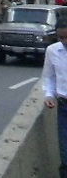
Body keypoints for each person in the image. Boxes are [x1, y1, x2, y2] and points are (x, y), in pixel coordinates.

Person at [42, 21, 67, 178]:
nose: (65, 41)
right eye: (61, 37)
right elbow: (49, 76)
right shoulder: (52, 51)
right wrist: (49, 95)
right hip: (64, 107)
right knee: (65, 149)